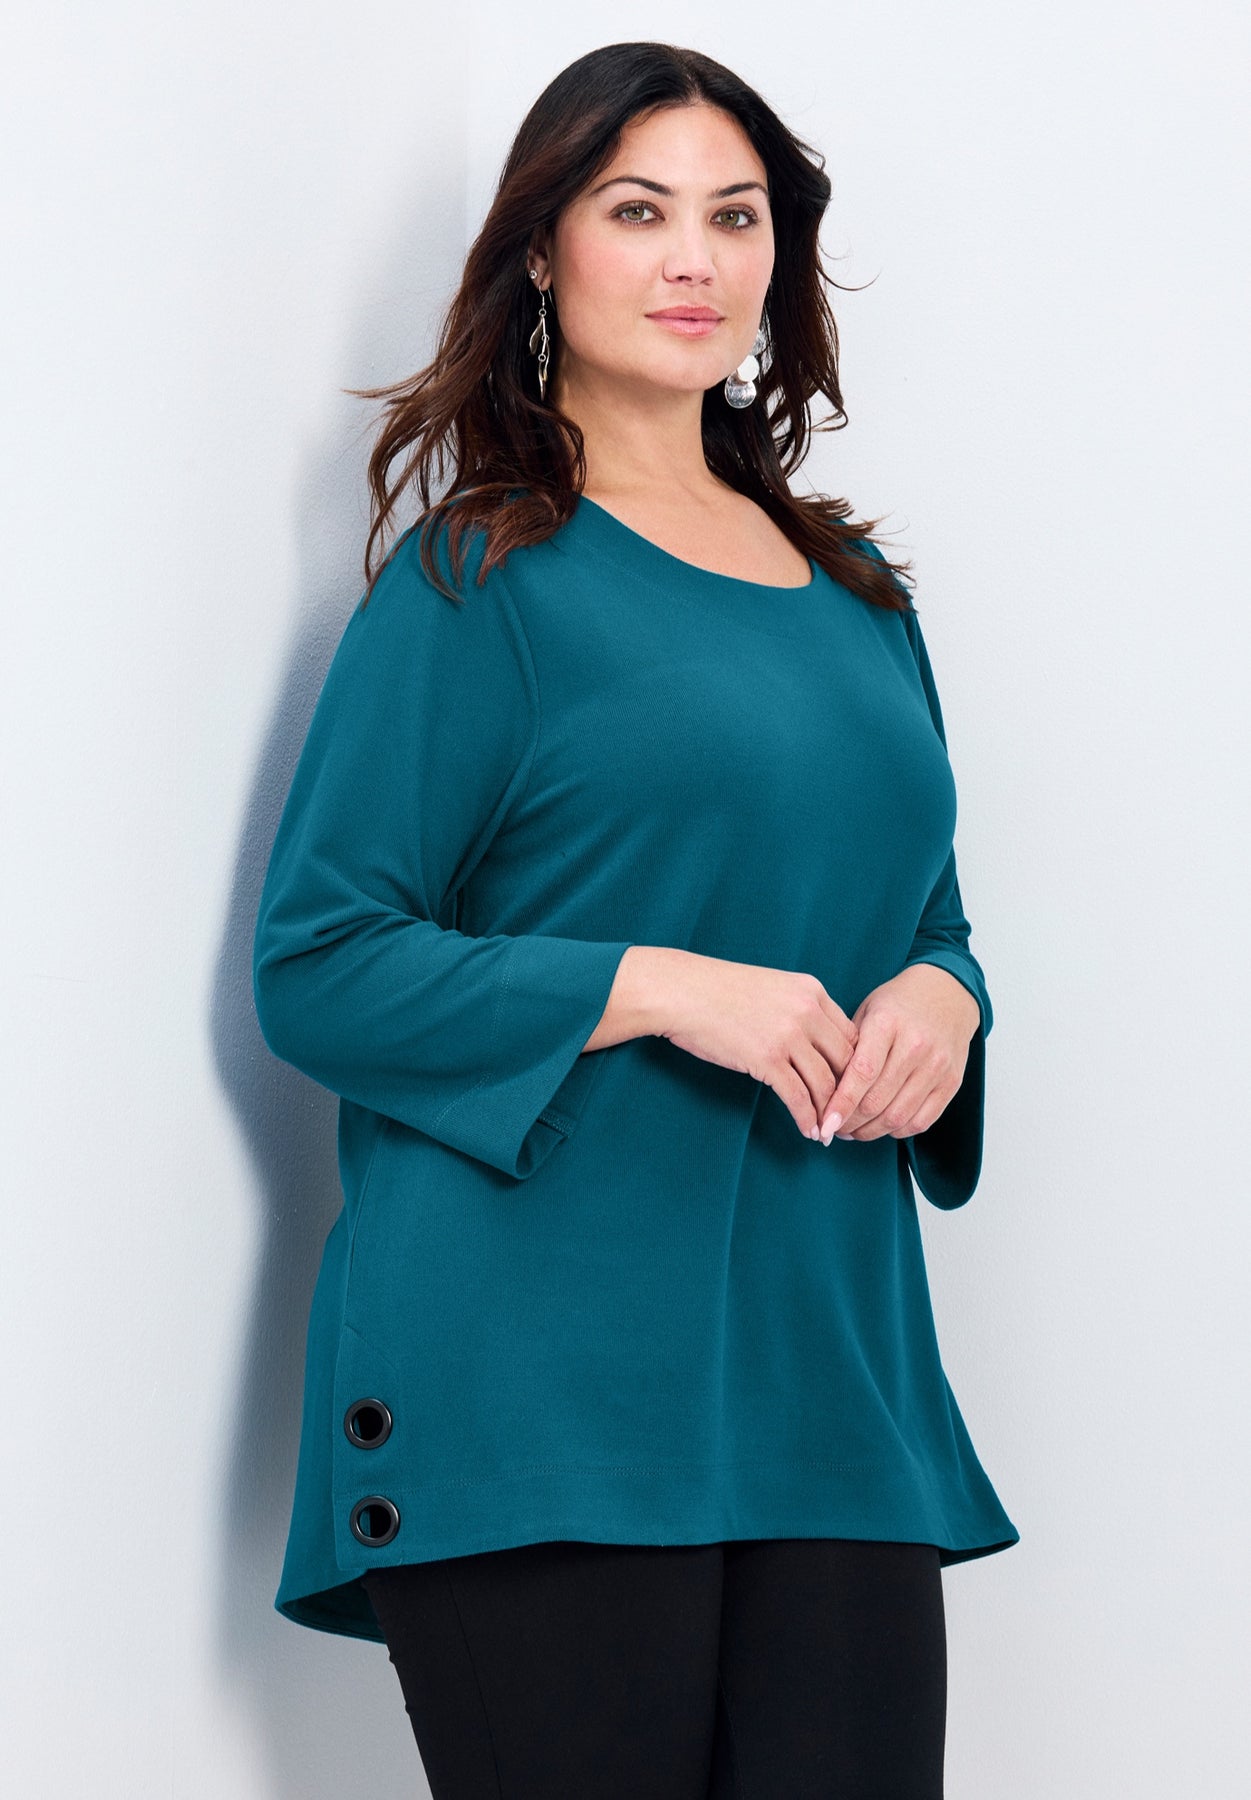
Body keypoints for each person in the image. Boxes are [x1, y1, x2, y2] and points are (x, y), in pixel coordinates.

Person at [252, 39, 1019, 1799]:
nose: (695, 259)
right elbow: (321, 965)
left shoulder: (860, 597)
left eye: (735, 217)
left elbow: (928, 914)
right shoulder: (480, 581)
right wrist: (664, 989)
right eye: (638, 210)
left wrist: (947, 997)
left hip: (830, 1385)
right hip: (539, 1390)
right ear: (543, 250)